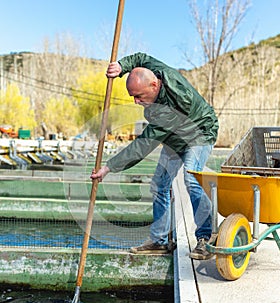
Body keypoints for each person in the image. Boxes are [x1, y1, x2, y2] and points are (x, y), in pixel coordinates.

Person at [91, 52, 219, 259]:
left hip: (200, 133)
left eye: (139, 96)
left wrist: (109, 167)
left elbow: (142, 145)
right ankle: (159, 242)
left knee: (191, 179)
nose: (135, 101)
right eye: (132, 96)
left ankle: (207, 237)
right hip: (175, 137)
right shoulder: (156, 72)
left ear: (154, 86)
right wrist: (121, 66)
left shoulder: (172, 104)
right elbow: (140, 58)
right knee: (160, 184)